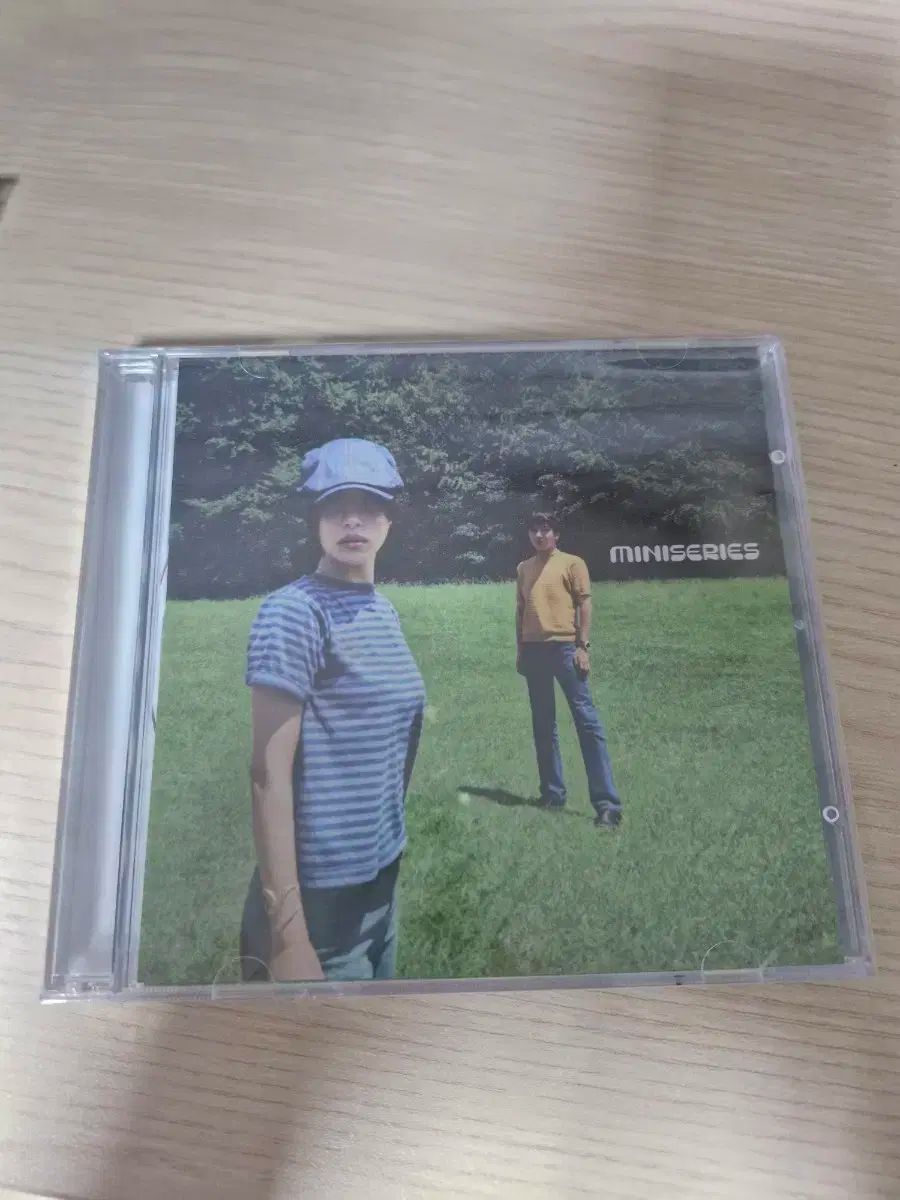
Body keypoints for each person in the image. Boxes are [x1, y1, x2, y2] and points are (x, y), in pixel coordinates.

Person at [240, 437, 426, 982]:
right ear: (315, 519)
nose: (353, 520)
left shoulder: (382, 610)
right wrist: (289, 937)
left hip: (380, 883)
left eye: (369, 506)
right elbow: (267, 777)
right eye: (336, 507)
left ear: (389, 520)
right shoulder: (295, 612)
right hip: (318, 907)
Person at [515, 512, 622, 827]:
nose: (539, 535)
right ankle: (552, 794)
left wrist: (582, 646)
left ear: (556, 534)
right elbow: (520, 610)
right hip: (533, 650)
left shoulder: (572, 563)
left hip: (565, 650)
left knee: (587, 723)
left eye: (545, 530)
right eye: (534, 530)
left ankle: (607, 805)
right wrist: (520, 650)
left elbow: (584, 603)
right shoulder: (523, 568)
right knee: (543, 724)